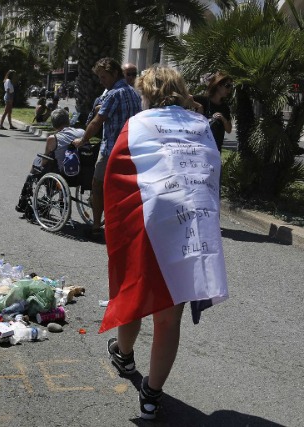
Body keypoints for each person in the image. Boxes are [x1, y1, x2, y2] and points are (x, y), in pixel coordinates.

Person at [100, 65, 228, 420]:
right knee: (169, 316)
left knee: (135, 292)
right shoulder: (200, 125)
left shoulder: (139, 123)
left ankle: (124, 356)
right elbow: (212, 170)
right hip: (194, 222)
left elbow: (116, 173)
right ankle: (152, 395)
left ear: (147, 93)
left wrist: (115, 223)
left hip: (151, 220)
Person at [73, 57, 141, 240]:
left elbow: (97, 122)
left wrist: (83, 139)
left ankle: (96, 227)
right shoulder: (134, 94)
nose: (101, 81)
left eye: (103, 77)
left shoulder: (113, 94)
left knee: (97, 185)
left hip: (111, 149)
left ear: (114, 74)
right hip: (132, 149)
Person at [193, 71, 233, 153]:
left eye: (231, 86)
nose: (229, 90)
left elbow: (229, 130)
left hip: (216, 149)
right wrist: (198, 106)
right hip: (201, 147)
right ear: (218, 85)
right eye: (227, 86)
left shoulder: (225, 107)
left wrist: (223, 119)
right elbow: (184, 98)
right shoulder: (202, 100)